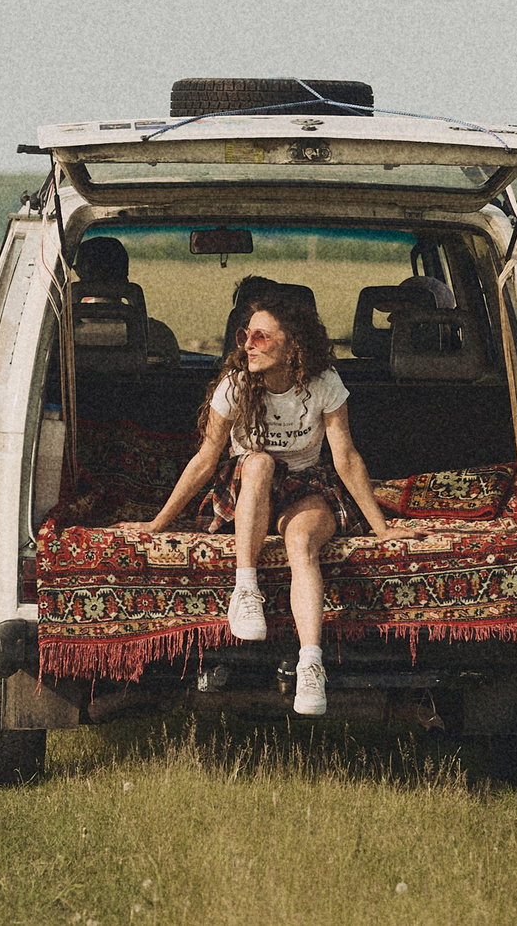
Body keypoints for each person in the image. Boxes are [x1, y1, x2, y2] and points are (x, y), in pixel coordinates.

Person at [139, 279, 414, 715]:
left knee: (302, 544)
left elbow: (344, 457)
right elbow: (206, 459)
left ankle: (311, 664)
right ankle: (245, 591)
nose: (248, 344)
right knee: (261, 461)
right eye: (244, 335)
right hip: (247, 486)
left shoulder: (324, 382)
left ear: (292, 347)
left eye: (261, 336)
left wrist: (381, 527)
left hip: (305, 484)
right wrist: (157, 523)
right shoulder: (234, 384)